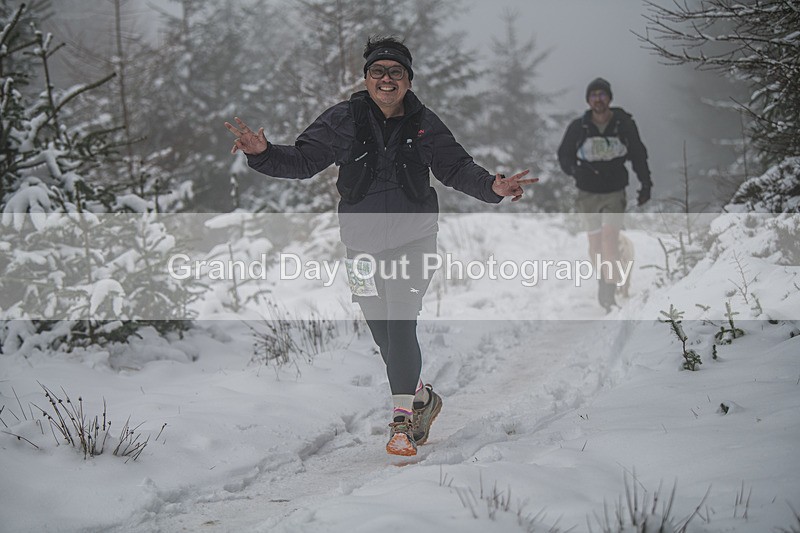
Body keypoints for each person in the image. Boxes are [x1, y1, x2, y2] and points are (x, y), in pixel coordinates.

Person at [225, 36, 536, 457]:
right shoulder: (343, 120)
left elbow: (457, 168)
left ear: (408, 80)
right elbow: (301, 160)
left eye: (396, 72)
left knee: (401, 322)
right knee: (383, 333)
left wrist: (493, 187)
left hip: (415, 239)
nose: (386, 79)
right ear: (367, 78)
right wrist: (262, 153)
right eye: (378, 71)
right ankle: (423, 398)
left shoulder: (425, 124)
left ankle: (402, 423)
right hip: (360, 244)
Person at [557, 77, 652, 312]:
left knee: (610, 240)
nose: (598, 100)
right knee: (595, 245)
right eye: (594, 96)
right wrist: (575, 170)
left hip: (614, 191)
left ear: (609, 98)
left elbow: (638, 153)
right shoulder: (579, 127)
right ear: (588, 100)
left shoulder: (623, 124)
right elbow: (564, 154)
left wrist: (645, 183)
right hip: (587, 192)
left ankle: (608, 292)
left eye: (602, 95)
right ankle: (604, 277)